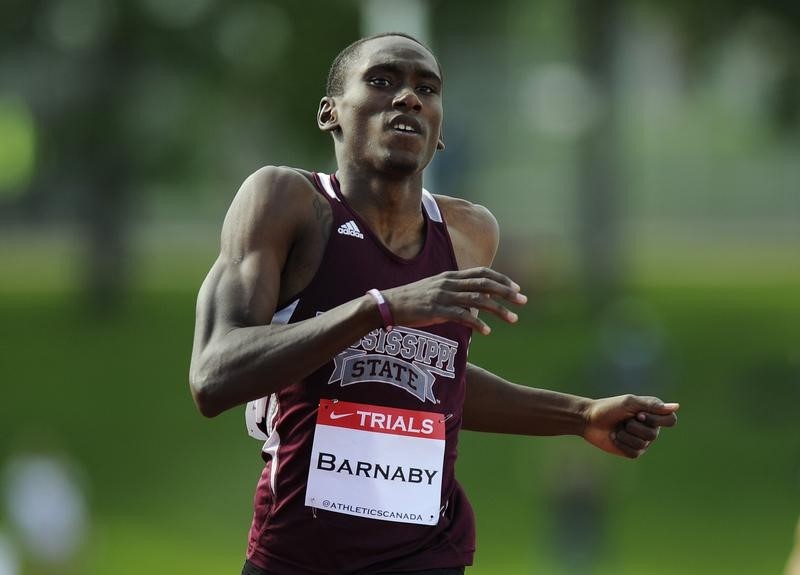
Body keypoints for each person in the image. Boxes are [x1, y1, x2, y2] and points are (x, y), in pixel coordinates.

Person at [189, 32, 679, 575]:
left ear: (439, 133)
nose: (409, 98)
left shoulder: (467, 234)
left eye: (427, 89)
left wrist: (580, 415)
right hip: (298, 556)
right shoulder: (288, 202)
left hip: (427, 556)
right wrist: (381, 306)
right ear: (330, 112)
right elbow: (214, 376)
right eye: (382, 81)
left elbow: (439, 378)